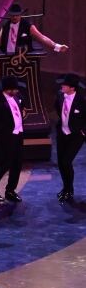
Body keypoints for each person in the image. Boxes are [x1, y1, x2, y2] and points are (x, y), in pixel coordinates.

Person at [0, 76, 25, 202]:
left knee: (17, 164)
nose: (17, 91)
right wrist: (4, 130)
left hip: (18, 135)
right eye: (15, 89)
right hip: (6, 138)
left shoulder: (18, 98)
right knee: (5, 164)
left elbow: (20, 109)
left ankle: (10, 191)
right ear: (8, 90)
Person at [0, 3, 69, 54]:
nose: (14, 17)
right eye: (12, 15)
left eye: (16, 15)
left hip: (22, 57)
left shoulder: (28, 26)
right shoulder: (6, 25)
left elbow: (42, 38)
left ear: (20, 15)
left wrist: (57, 46)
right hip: (7, 55)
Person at [54, 73, 86, 203]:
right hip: (62, 134)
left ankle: (70, 189)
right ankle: (65, 188)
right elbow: (57, 108)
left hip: (76, 136)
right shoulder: (60, 96)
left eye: (65, 85)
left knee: (67, 162)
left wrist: (83, 131)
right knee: (61, 163)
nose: (62, 86)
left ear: (72, 88)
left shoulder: (82, 100)